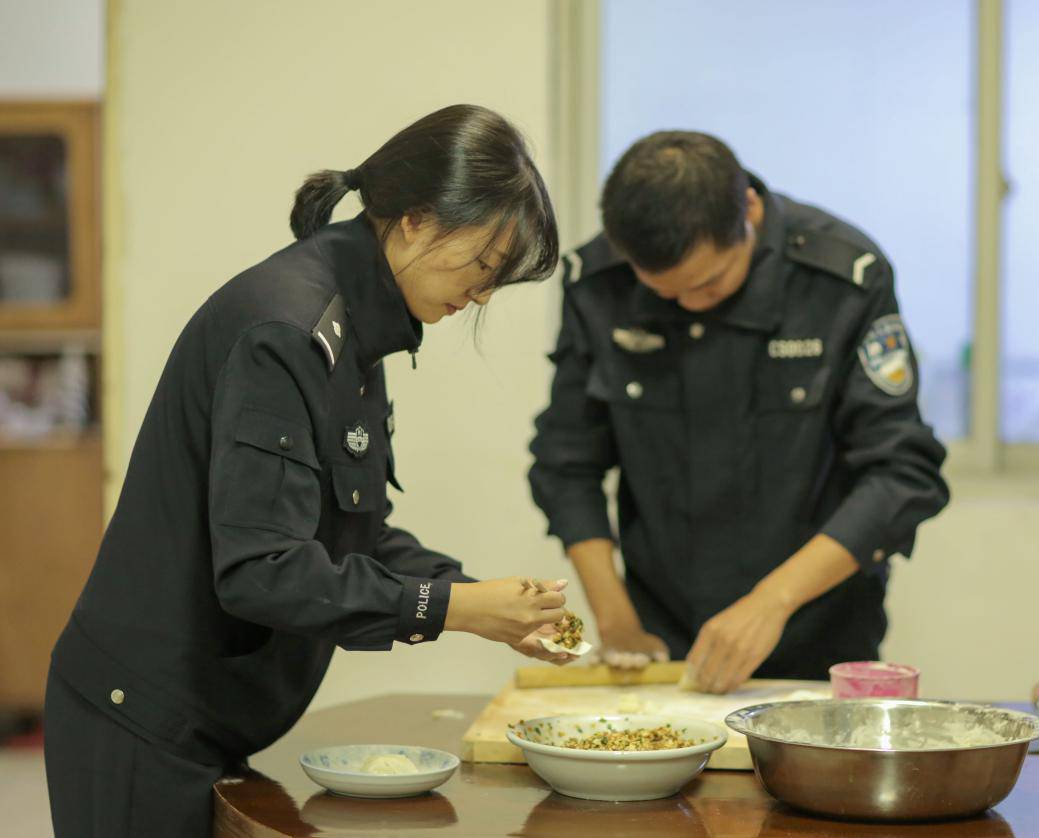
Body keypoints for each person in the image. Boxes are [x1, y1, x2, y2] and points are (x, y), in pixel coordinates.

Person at [45, 104, 570, 838]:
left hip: (204, 718)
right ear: (415, 220)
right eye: (483, 266)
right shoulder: (287, 330)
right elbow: (264, 572)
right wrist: (452, 608)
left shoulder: (356, 323)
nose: (481, 294)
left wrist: (474, 595)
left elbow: (351, 532)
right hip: (144, 722)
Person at [529, 131, 949, 694]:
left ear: (748, 210)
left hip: (816, 633)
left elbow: (902, 473)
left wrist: (771, 603)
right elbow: (565, 462)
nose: (688, 303)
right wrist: (613, 615)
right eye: (664, 294)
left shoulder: (841, 280)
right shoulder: (599, 284)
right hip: (662, 639)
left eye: (706, 283)